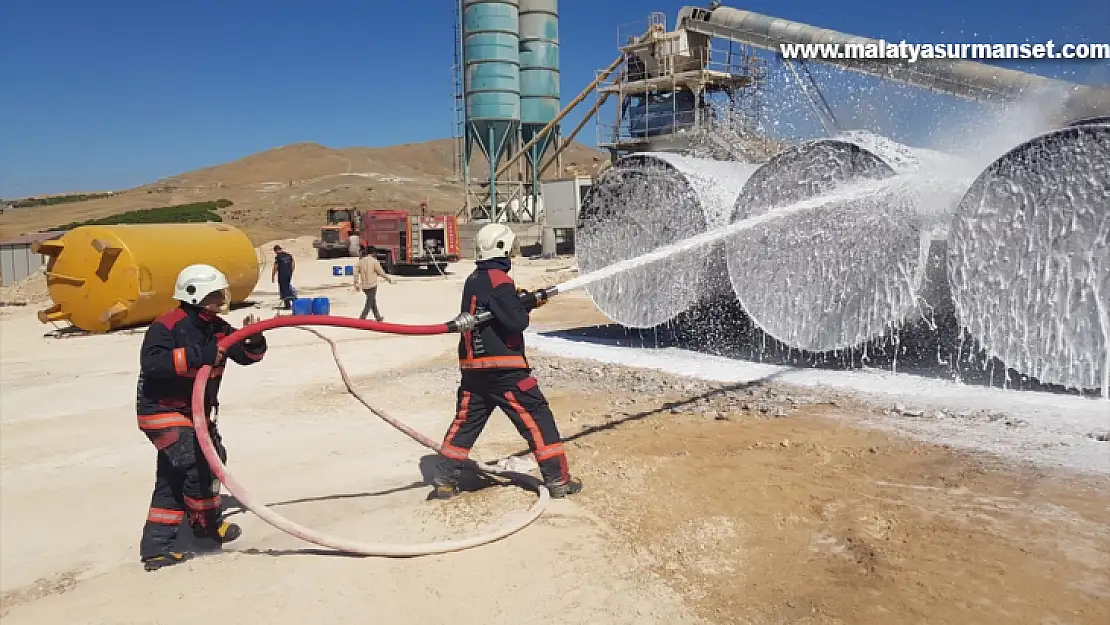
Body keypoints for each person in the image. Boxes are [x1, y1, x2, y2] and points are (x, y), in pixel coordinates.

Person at [431, 224, 582, 500]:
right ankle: (558, 481)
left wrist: (520, 300)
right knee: (537, 418)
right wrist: (520, 306)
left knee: (466, 422)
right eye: (511, 248)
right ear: (501, 248)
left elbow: (496, 311)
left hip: (474, 369)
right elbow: (515, 322)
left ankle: (444, 478)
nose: (512, 254)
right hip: (503, 369)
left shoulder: (475, 278)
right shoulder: (499, 280)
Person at [135, 264, 269, 571]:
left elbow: (245, 356)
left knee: (189, 470)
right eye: (214, 295)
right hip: (163, 411)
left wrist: (253, 340)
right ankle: (200, 525)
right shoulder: (167, 327)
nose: (221, 299)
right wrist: (199, 355)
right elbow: (153, 364)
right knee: (196, 465)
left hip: (197, 415)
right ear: (194, 295)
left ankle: (163, 545)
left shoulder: (216, 326)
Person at [353, 245, 394, 321]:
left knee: (372, 301)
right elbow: (381, 273)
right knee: (369, 303)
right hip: (372, 285)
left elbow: (355, 273)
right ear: (373, 253)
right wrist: (388, 279)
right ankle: (362, 318)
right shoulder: (374, 261)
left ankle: (378, 317)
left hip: (364, 286)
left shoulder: (360, 262)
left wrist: (356, 283)